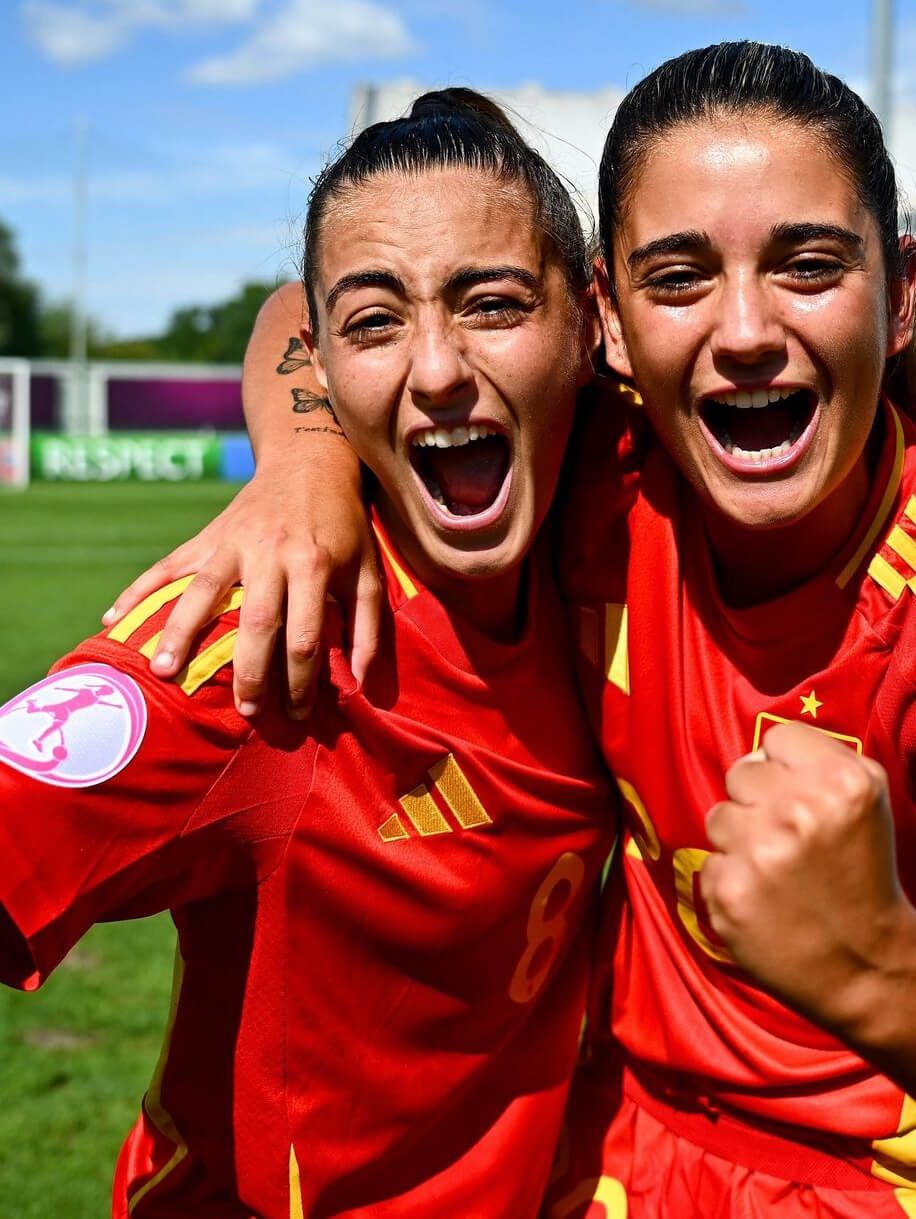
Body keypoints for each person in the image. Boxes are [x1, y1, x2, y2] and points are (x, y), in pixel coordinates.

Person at [115, 43, 916, 1219]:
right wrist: (305, 464)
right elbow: (312, 305)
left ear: (902, 289)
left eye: (809, 264)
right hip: (599, 1156)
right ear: (607, 321)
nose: (748, 328)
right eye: (679, 278)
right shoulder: (609, 468)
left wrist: (884, 964)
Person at [0, 91, 615, 1218]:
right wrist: (299, 461)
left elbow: (303, 295)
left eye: (493, 304)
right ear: (323, 363)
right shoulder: (258, 643)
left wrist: (302, 453)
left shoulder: (628, 548)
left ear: (592, 326)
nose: (437, 367)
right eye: (375, 323)